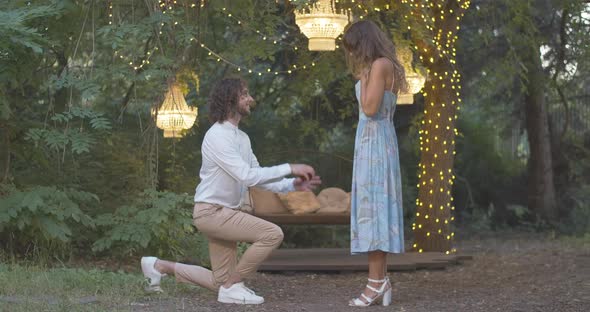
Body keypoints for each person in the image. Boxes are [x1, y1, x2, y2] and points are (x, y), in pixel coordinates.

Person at [140, 77, 322, 305]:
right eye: (245, 94)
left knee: (219, 281)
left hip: (224, 213)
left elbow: (255, 177)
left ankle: (158, 266)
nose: (250, 99)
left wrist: (289, 185)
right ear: (230, 99)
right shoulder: (217, 136)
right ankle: (233, 286)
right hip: (212, 213)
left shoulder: (242, 138)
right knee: (272, 234)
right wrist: (290, 167)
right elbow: (246, 175)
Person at [342, 20, 409, 307]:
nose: (353, 55)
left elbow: (369, 109)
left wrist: (365, 76)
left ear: (364, 43)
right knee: (371, 212)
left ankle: (375, 283)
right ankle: (379, 281)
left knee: (375, 214)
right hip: (369, 144)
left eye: (355, 48)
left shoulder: (380, 65)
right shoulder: (374, 68)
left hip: (377, 145)